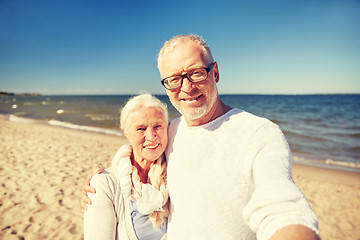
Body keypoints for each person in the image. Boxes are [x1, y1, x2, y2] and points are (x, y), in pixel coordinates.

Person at [82, 35, 320, 240]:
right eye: (174, 79)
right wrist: (99, 179)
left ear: (215, 72)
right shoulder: (171, 131)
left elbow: (279, 203)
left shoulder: (259, 133)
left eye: (196, 73)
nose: (186, 87)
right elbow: (138, 154)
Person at [83, 93, 170, 240]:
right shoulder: (104, 184)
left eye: (158, 125)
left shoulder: (178, 173)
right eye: (141, 129)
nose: (151, 136)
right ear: (126, 132)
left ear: (168, 127)